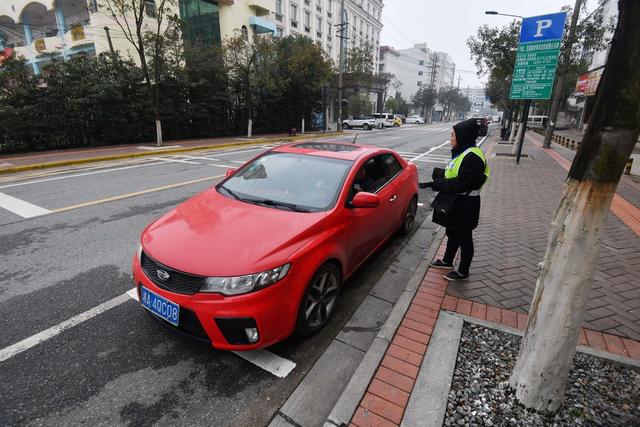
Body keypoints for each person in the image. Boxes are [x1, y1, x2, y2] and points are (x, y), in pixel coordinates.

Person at [421, 118, 490, 281]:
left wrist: (437, 184)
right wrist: (438, 174)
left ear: (462, 136)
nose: (450, 139)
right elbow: (456, 174)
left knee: (464, 237)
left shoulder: (472, 156)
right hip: (458, 202)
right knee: (453, 233)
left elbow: (461, 184)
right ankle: (447, 261)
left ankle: (463, 271)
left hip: (466, 204)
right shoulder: (464, 152)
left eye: (452, 135)